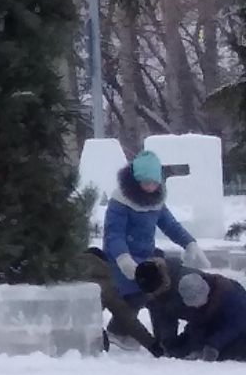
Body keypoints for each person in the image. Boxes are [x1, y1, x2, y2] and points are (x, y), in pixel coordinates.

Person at [102, 147, 204, 350]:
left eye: (154, 182)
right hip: (120, 258)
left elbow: (170, 225)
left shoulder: (156, 200)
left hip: (145, 255)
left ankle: (156, 337)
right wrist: (123, 259)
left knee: (153, 292)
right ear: (136, 181)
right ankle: (119, 331)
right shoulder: (121, 200)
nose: (150, 186)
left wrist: (190, 243)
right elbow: (114, 234)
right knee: (136, 293)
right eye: (145, 182)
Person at [134, 259, 246, 361]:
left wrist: (214, 344)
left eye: (157, 291)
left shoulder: (195, 285)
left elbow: (237, 322)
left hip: (235, 316)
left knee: (231, 349)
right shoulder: (156, 293)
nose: (155, 295)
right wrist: (168, 343)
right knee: (185, 348)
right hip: (209, 318)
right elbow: (193, 320)